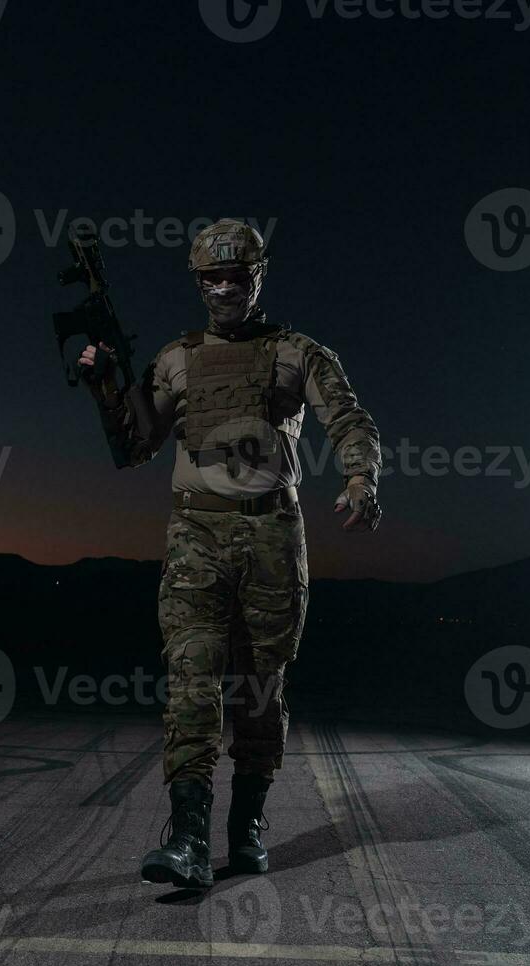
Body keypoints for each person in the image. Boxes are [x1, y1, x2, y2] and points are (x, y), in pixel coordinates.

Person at [77, 219, 382, 888]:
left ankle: (245, 829)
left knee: (260, 690)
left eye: (235, 276)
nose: (222, 289)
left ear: (258, 276)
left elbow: (347, 415)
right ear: (196, 283)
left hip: (273, 535)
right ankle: (187, 839)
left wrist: (360, 474)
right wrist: (103, 384)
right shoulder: (176, 358)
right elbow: (134, 445)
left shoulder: (297, 352)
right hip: (196, 539)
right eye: (209, 278)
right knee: (191, 683)